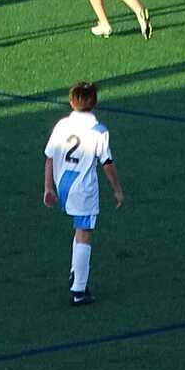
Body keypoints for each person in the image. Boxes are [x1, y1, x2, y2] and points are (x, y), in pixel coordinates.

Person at [42, 80, 126, 306]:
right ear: (94, 103)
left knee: (79, 229)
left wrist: (48, 187)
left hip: (63, 184)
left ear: (71, 102)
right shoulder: (99, 131)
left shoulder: (62, 125)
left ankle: (75, 273)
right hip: (83, 188)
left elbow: (49, 157)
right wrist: (117, 189)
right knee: (85, 232)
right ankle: (79, 290)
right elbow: (107, 163)